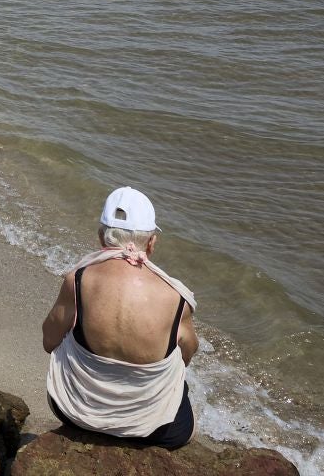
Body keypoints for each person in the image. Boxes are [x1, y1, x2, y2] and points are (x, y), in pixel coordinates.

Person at [40, 187, 198, 450]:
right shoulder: (175, 297)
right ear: (152, 242)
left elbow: (49, 341)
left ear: (102, 236)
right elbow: (187, 355)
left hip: (74, 413)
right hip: (157, 432)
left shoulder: (77, 281)